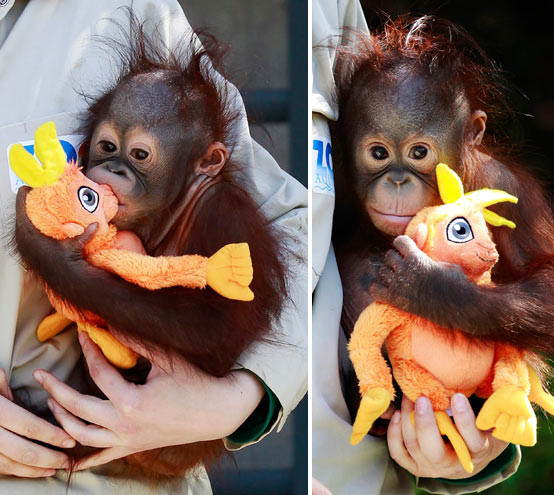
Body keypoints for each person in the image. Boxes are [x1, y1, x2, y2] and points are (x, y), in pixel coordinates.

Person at [0, 0, 307, 492]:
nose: (111, 172)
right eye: (103, 149)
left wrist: (239, 397)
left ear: (204, 165)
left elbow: (297, 228)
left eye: (138, 156)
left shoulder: (112, 11)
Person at [311, 1, 519, 493]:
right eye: (379, 155)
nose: (398, 182)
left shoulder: (488, 199)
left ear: (471, 138)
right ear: (346, 143)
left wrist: (482, 443)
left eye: (419, 155)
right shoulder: (338, 183)